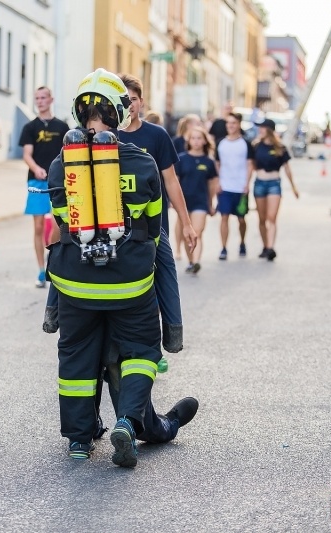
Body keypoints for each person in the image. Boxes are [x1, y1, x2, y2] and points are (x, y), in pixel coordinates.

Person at [46, 68, 197, 467]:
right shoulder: (143, 163)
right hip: (129, 284)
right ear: (120, 111)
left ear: (79, 112)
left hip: (75, 284)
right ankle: (128, 422)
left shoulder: (63, 164)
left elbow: (62, 223)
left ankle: (79, 441)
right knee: (141, 350)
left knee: (75, 357)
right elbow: (153, 230)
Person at [117, 73, 197, 355]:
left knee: (161, 277)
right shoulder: (104, 135)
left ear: (141, 101)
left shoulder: (156, 135)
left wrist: (186, 223)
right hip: (112, 226)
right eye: (122, 100)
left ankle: (169, 336)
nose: (128, 105)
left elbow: (171, 181)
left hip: (152, 226)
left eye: (133, 99)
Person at [19, 86, 70, 288]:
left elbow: (68, 153)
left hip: (59, 183)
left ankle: (52, 260)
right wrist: (36, 169)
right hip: (37, 182)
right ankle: (41, 270)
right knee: (38, 226)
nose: (40, 101)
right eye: (37, 98)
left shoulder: (62, 127)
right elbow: (26, 155)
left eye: (43, 98)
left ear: (51, 100)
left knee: (58, 225)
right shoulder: (30, 127)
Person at [251, 117, 299, 261]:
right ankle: (265, 246)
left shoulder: (280, 147)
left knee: (271, 217)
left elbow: (287, 168)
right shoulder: (256, 146)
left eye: (262, 127)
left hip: (274, 183)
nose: (260, 130)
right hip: (260, 182)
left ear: (269, 130)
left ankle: (271, 247)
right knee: (262, 218)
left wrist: (293, 187)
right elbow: (250, 165)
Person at [175, 127, 218, 273]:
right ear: (189, 141)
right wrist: (173, 202)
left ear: (205, 141)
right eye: (193, 138)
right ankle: (191, 261)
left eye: (199, 138)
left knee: (197, 232)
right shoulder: (181, 159)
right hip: (184, 202)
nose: (196, 141)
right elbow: (175, 182)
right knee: (187, 234)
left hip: (201, 201)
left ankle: (196, 261)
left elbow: (212, 184)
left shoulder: (209, 162)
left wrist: (211, 204)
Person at [215, 112, 254, 259]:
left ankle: (242, 242)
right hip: (225, 186)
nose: (230, 126)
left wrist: (247, 183)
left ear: (239, 124)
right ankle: (223, 248)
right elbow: (217, 163)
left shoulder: (246, 144)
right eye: (228, 123)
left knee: (241, 219)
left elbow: (250, 164)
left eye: (233, 123)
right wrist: (218, 182)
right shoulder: (221, 143)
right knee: (224, 217)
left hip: (240, 187)